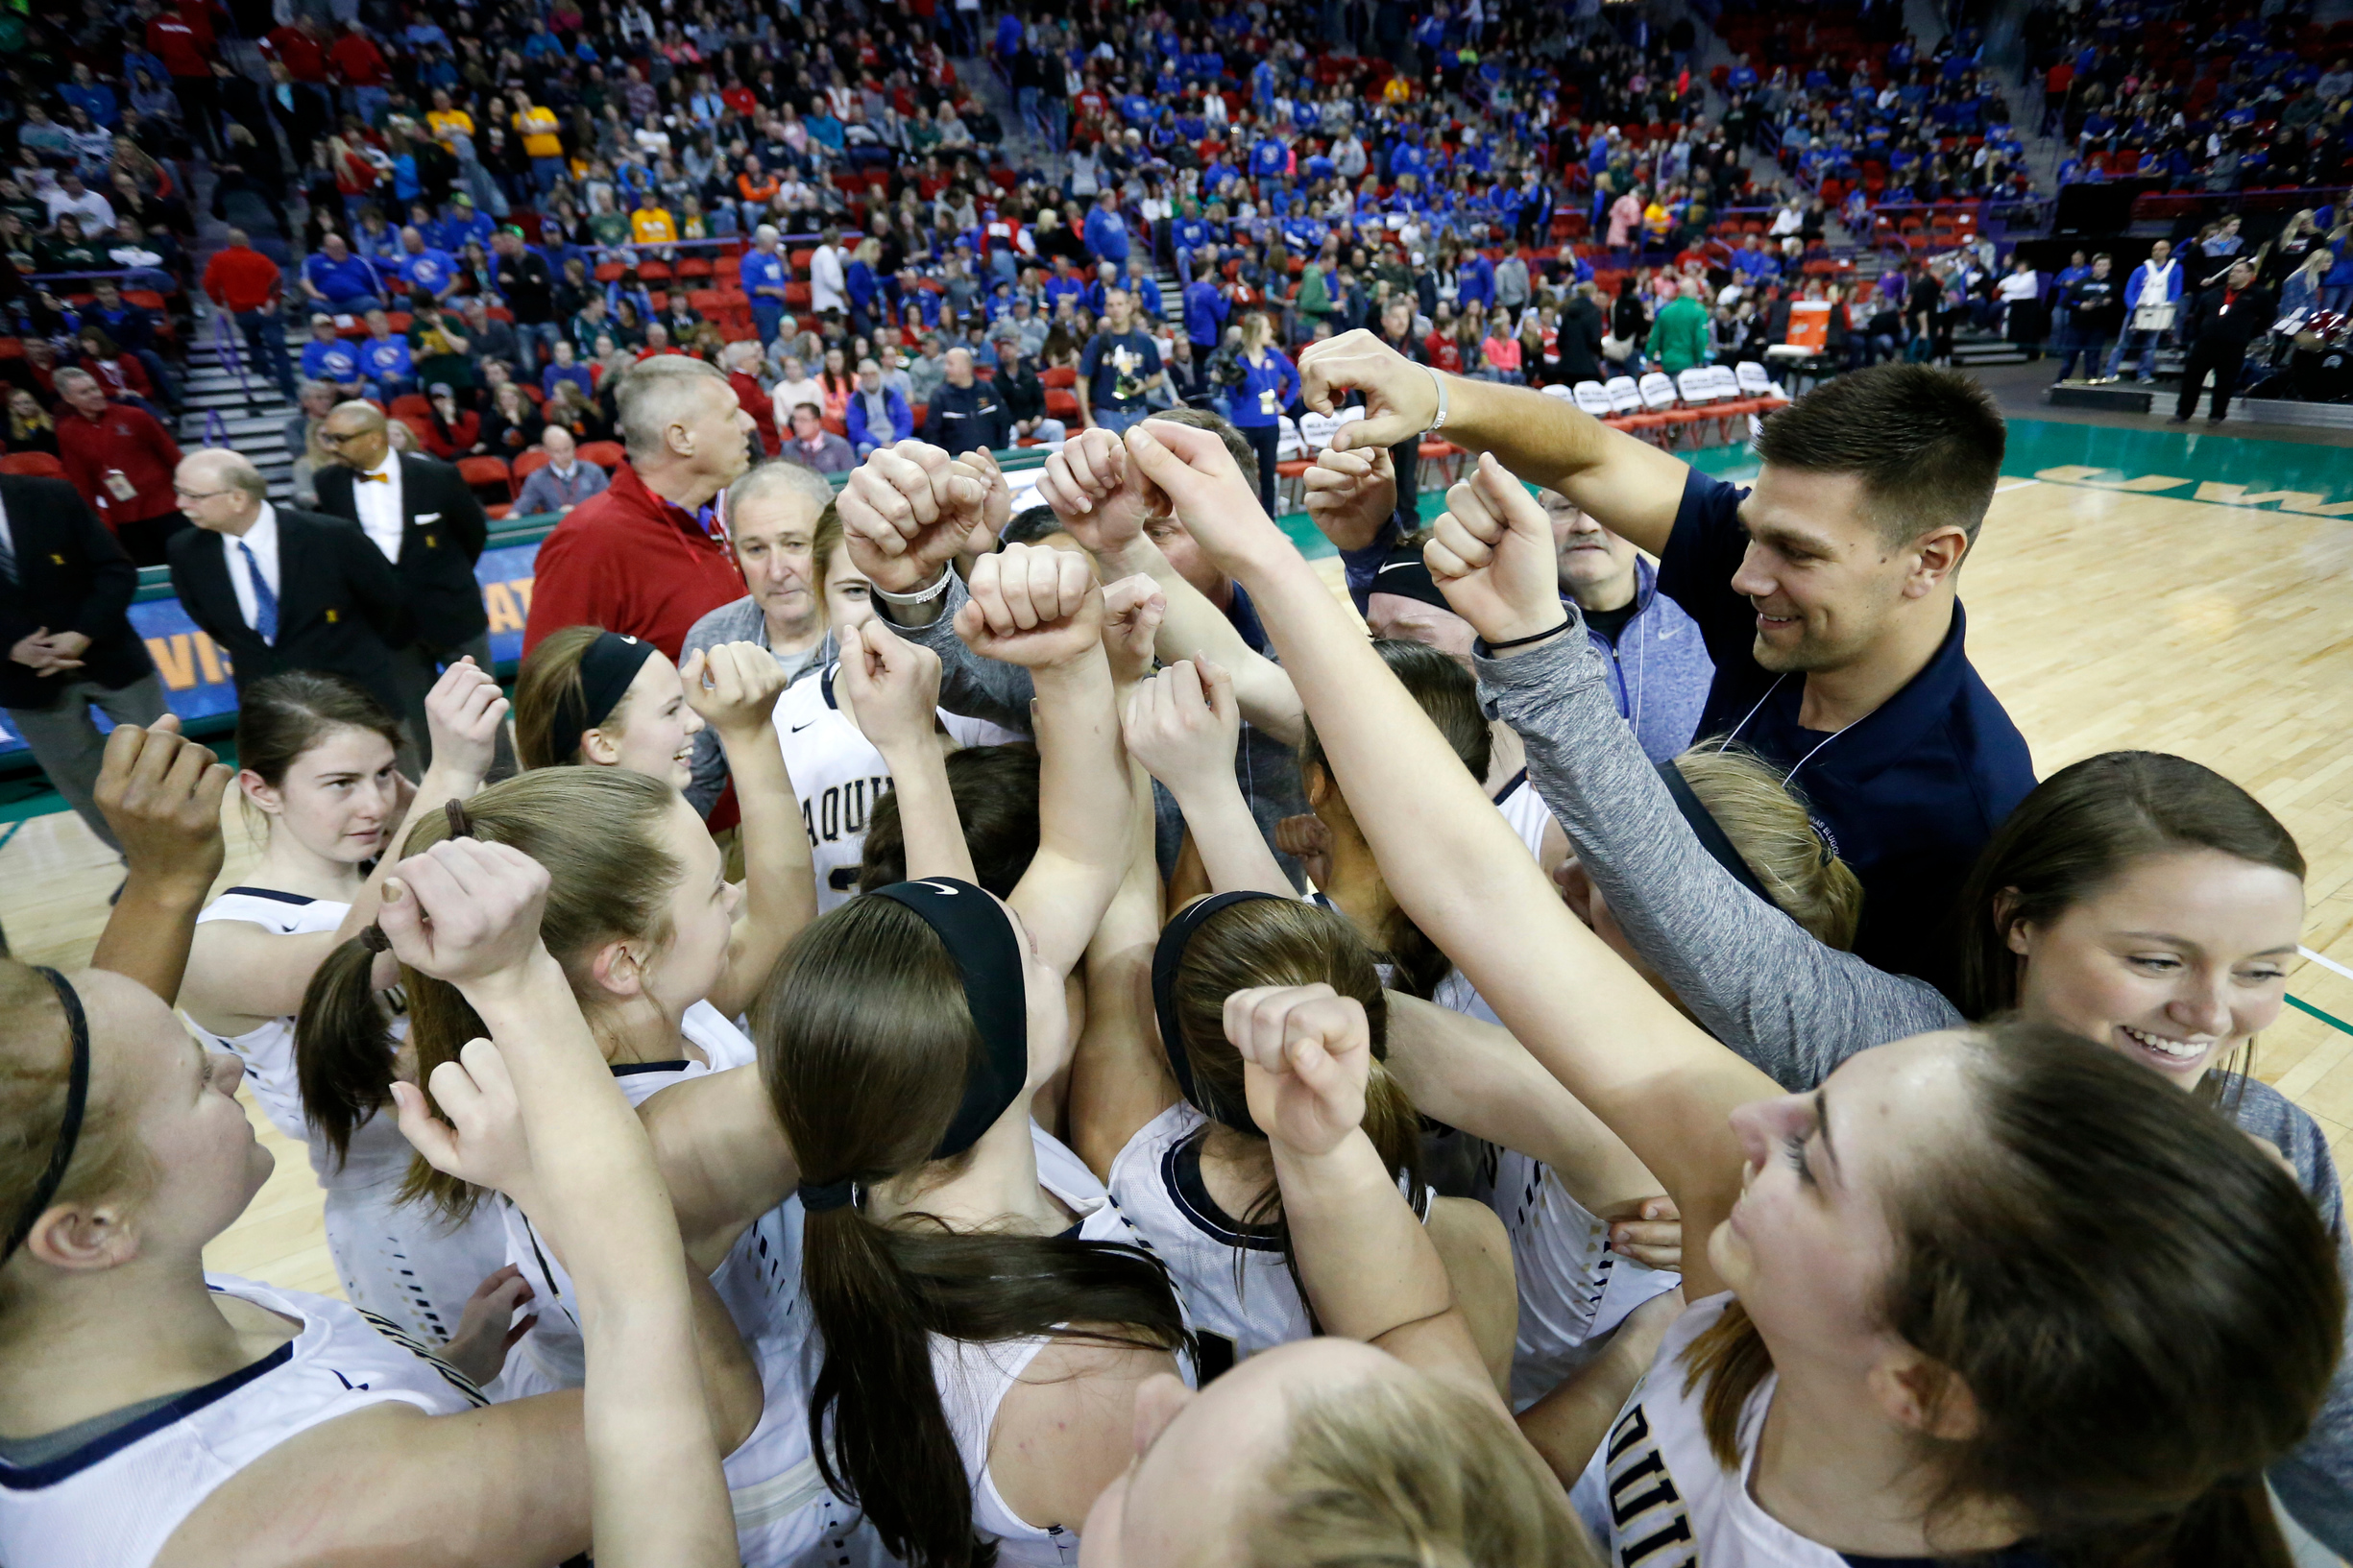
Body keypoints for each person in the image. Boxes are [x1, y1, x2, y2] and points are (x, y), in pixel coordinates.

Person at [1118, 416, 2343, 1566]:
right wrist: (1261, 558)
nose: (1760, 1115)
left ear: (1920, 1390)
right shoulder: (1788, 1309)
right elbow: (1474, 889)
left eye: (1811, 1155)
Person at [0, 717, 764, 1568]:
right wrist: (547, 1175)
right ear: (86, 1231)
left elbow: (75, 1110)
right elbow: (714, 1404)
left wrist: (446, 1369)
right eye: (191, 1079)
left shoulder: (67, 1304)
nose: (227, 1069)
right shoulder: (338, 1512)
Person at [635, 549, 1201, 1567]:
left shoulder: (877, 1179)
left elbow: (1070, 854)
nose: (1044, 943)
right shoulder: (1087, 1380)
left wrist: (1048, 678)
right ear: (1000, 1051)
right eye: (1029, 957)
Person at [1293, 337, 2033, 996]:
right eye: (1751, 534)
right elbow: (1591, 455)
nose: (1744, 576)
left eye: (1799, 552)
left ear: (1930, 560)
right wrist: (1438, 395)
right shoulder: (1776, 586)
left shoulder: (1973, 814)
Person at [180, 667, 510, 1344]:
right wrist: (448, 774)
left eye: (386, 775)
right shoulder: (217, 941)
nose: (374, 804)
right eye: (341, 783)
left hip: (510, 1173)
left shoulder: (388, 870)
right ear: (260, 789)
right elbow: (355, 957)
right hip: (408, 1216)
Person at [522, 356, 756, 662]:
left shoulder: (708, 518)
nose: (748, 424)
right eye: (730, 415)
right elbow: (548, 690)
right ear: (681, 439)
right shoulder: (588, 540)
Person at [165, 449, 413, 723]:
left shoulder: (332, 537)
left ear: (238, 498)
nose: (180, 503)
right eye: (179, 492)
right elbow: (214, 624)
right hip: (270, 716)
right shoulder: (185, 551)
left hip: (358, 704)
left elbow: (388, 606)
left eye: (194, 496)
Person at [310, 403, 493, 764]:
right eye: (329, 438)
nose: (331, 447)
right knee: (410, 715)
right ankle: (431, 797)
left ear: (375, 438)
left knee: (482, 706)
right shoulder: (328, 483)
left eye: (340, 439)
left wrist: (439, 581)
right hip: (387, 624)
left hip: (453, 611)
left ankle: (505, 784)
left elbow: (473, 533)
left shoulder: (437, 476)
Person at [0, 464, 166, 859]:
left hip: (109, 655)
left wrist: (83, 634)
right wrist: (10, 647)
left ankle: (190, 853)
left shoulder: (52, 495)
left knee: (165, 761)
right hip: (23, 679)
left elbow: (116, 569)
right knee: (82, 785)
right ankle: (140, 866)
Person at [678, 461, 837, 814]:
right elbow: (697, 780)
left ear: (829, 541)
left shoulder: (881, 624)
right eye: (756, 550)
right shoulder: (712, 639)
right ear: (736, 555)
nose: (777, 571)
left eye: (794, 544)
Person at [52, 369, 187, 568]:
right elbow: (80, 479)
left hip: (165, 507)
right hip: (124, 516)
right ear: (68, 398)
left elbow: (173, 456)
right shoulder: (67, 430)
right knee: (150, 570)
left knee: (187, 563)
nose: (96, 395)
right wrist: (89, 520)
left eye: (95, 388)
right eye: (85, 392)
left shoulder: (135, 416)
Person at [198, 228, 299, 401]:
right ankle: (290, 392)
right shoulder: (260, 258)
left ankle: (265, 373)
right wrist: (273, 299)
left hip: (242, 311)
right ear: (247, 242)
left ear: (228, 243)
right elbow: (277, 278)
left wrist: (219, 304)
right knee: (278, 349)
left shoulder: (219, 260)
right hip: (267, 310)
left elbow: (209, 283)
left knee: (254, 343)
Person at [2171, 259, 2274, 426]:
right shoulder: (2214, 293)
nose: (2233, 273)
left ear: (2250, 275)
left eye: (2239, 271)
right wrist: (2201, 332)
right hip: (2205, 343)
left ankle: (2217, 415)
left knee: (2225, 382)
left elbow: (2268, 317)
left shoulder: (2259, 295)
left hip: (2233, 346)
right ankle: (2183, 413)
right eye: (2233, 271)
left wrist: (2247, 333)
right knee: (2192, 379)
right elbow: (2198, 316)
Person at [1225, 312, 1299, 517]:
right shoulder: (1238, 361)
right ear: (1256, 332)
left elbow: (1295, 378)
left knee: (1268, 476)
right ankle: (1244, 521)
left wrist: (1285, 404)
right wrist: (1230, 385)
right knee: (1243, 476)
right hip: (1244, 424)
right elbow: (1234, 396)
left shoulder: (1275, 356)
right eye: (1267, 328)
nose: (1270, 332)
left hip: (1269, 424)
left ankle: (1270, 524)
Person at [1078, 286, 1166, 435]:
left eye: (1119, 304)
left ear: (1129, 307)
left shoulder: (1144, 341)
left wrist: (1143, 386)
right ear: (1105, 309)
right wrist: (1087, 417)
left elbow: (1158, 376)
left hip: (1138, 411)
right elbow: (1082, 379)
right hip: (1107, 414)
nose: (1115, 309)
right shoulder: (1097, 342)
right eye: (1111, 305)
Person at [2105, 239, 2182, 384]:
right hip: (2137, 312)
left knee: (2150, 345)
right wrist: (2134, 308)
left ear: (2167, 251)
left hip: (2159, 312)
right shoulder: (2140, 270)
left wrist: (2167, 308)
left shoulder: (2175, 269)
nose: (2156, 252)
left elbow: (2176, 290)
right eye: (2154, 250)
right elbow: (2129, 291)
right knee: (2123, 343)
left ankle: (2144, 374)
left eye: (2160, 249)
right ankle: (2110, 372)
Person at [921, 348, 1012, 456]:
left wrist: (1000, 453)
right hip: (958, 466)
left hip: (991, 460)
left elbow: (1004, 422)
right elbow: (932, 435)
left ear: (965, 367)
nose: (945, 369)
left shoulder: (988, 390)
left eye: (950, 364)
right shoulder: (940, 396)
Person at [2051, 253, 2120, 383]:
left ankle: (2091, 381)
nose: (2101, 268)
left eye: (2105, 265)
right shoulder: (2081, 283)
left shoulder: (2114, 284)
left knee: (2093, 355)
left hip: (2099, 326)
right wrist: (2080, 306)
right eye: (2099, 265)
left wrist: (2108, 301)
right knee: (2070, 355)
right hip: (2077, 325)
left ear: (2109, 267)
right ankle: (2060, 382)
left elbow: (2118, 301)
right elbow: (2066, 302)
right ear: (2093, 267)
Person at [514, 425, 610, 516]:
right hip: (557, 527)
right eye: (557, 451)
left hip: (590, 524)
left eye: (567, 449)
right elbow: (519, 510)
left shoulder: (593, 471)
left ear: (574, 446)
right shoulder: (537, 479)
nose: (564, 455)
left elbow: (609, 502)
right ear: (547, 452)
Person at [843, 358, 912, 458]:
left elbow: (906, 420)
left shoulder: (892, 394)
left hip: (895, 438)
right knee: (864, 448)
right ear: (860, 377)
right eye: (865, 374)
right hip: (870, 442)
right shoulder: (855, 400)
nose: (869, 377)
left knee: (916, 443)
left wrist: (896, 440)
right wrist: (879, 443)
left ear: (879, 374)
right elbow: (856, 430)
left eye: (873, 373)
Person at [781, 400, 857, 474]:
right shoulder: (789, 448)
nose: (797, 425)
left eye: (803, 420)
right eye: (795, 420)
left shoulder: (839, 446)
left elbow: (850, 476)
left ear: (817, 422)